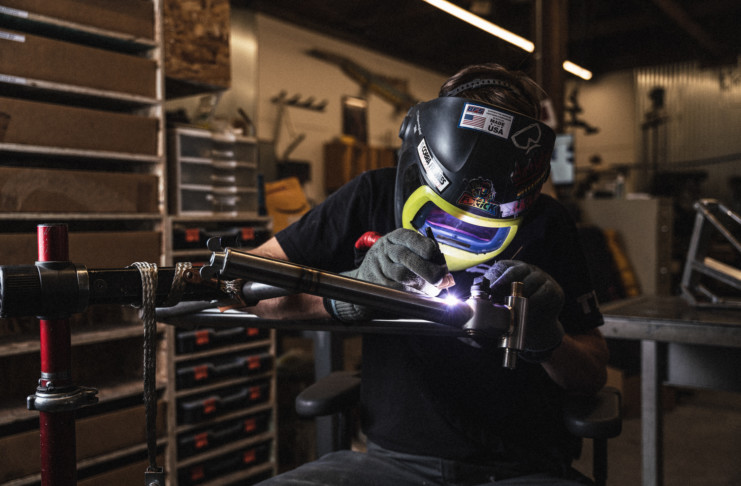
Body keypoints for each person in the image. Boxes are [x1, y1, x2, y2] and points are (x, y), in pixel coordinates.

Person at [251, 63, 609, 485]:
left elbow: (592, 374)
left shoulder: (549, 223)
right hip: (391, 463)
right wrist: (349, 293)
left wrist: (550, 341)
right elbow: (249, 290)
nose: (464, 223)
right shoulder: (371, 194)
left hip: (522, 467)